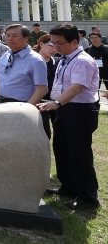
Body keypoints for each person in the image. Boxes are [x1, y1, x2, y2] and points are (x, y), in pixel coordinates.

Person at [37, 24, 101, 210]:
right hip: (65, 108)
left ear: (75, 41)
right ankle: (69, 188)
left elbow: (78, 86)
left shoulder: (82, 61)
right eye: (53, 43)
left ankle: (88, 198)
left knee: (79, 154)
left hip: (79, 110)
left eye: (60, 43)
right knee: (62, 149)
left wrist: (56, 103)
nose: (56, 47)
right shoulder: (65, 58)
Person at [0, 24, 48, 105]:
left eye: (14, 36)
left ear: (26, 38)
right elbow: (0, 77)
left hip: (22, 105)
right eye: (8, 35)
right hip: (2, 103)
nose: (10, 39)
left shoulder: (35, 60)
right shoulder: (6, 55)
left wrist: (26, 108)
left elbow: (42, 89)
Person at [32, 34, 57, 139]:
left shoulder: (58, 62)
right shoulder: (32, 60)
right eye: (51, 46)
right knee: (44, 133)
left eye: (56, 46)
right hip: (38, 102)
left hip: (55, 102)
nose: (53, 49)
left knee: (60, 131)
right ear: (41, 44)